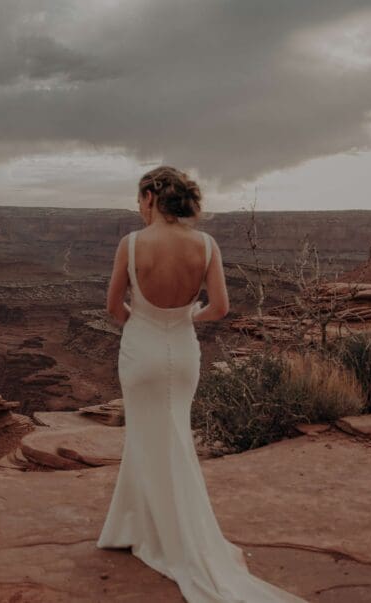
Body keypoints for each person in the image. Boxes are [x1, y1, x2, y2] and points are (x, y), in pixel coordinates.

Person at [96, 166, 307, 603]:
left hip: (142, 352)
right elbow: (221, 307)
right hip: (184, 353)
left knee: (144, 437)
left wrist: (145, 327)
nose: (137, 208)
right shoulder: (205, 245)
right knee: (175, 436)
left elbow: (114, 306)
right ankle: (165, 529)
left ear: (151, 196)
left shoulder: (132, 244)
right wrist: (185, 317)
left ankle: (142, 529)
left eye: (139, 199)